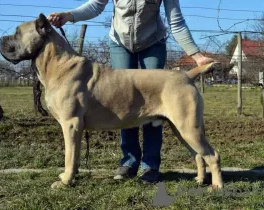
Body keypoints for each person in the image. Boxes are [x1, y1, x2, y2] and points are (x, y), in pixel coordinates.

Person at [48, 0, 215, 184]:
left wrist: (196, 55)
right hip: (120, 42)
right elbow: (96, 5)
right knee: (121, 102)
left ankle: (150, 166)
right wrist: (69, 15)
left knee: (156, 106)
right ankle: (129, 162)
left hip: (153, 42)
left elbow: (176, 21)